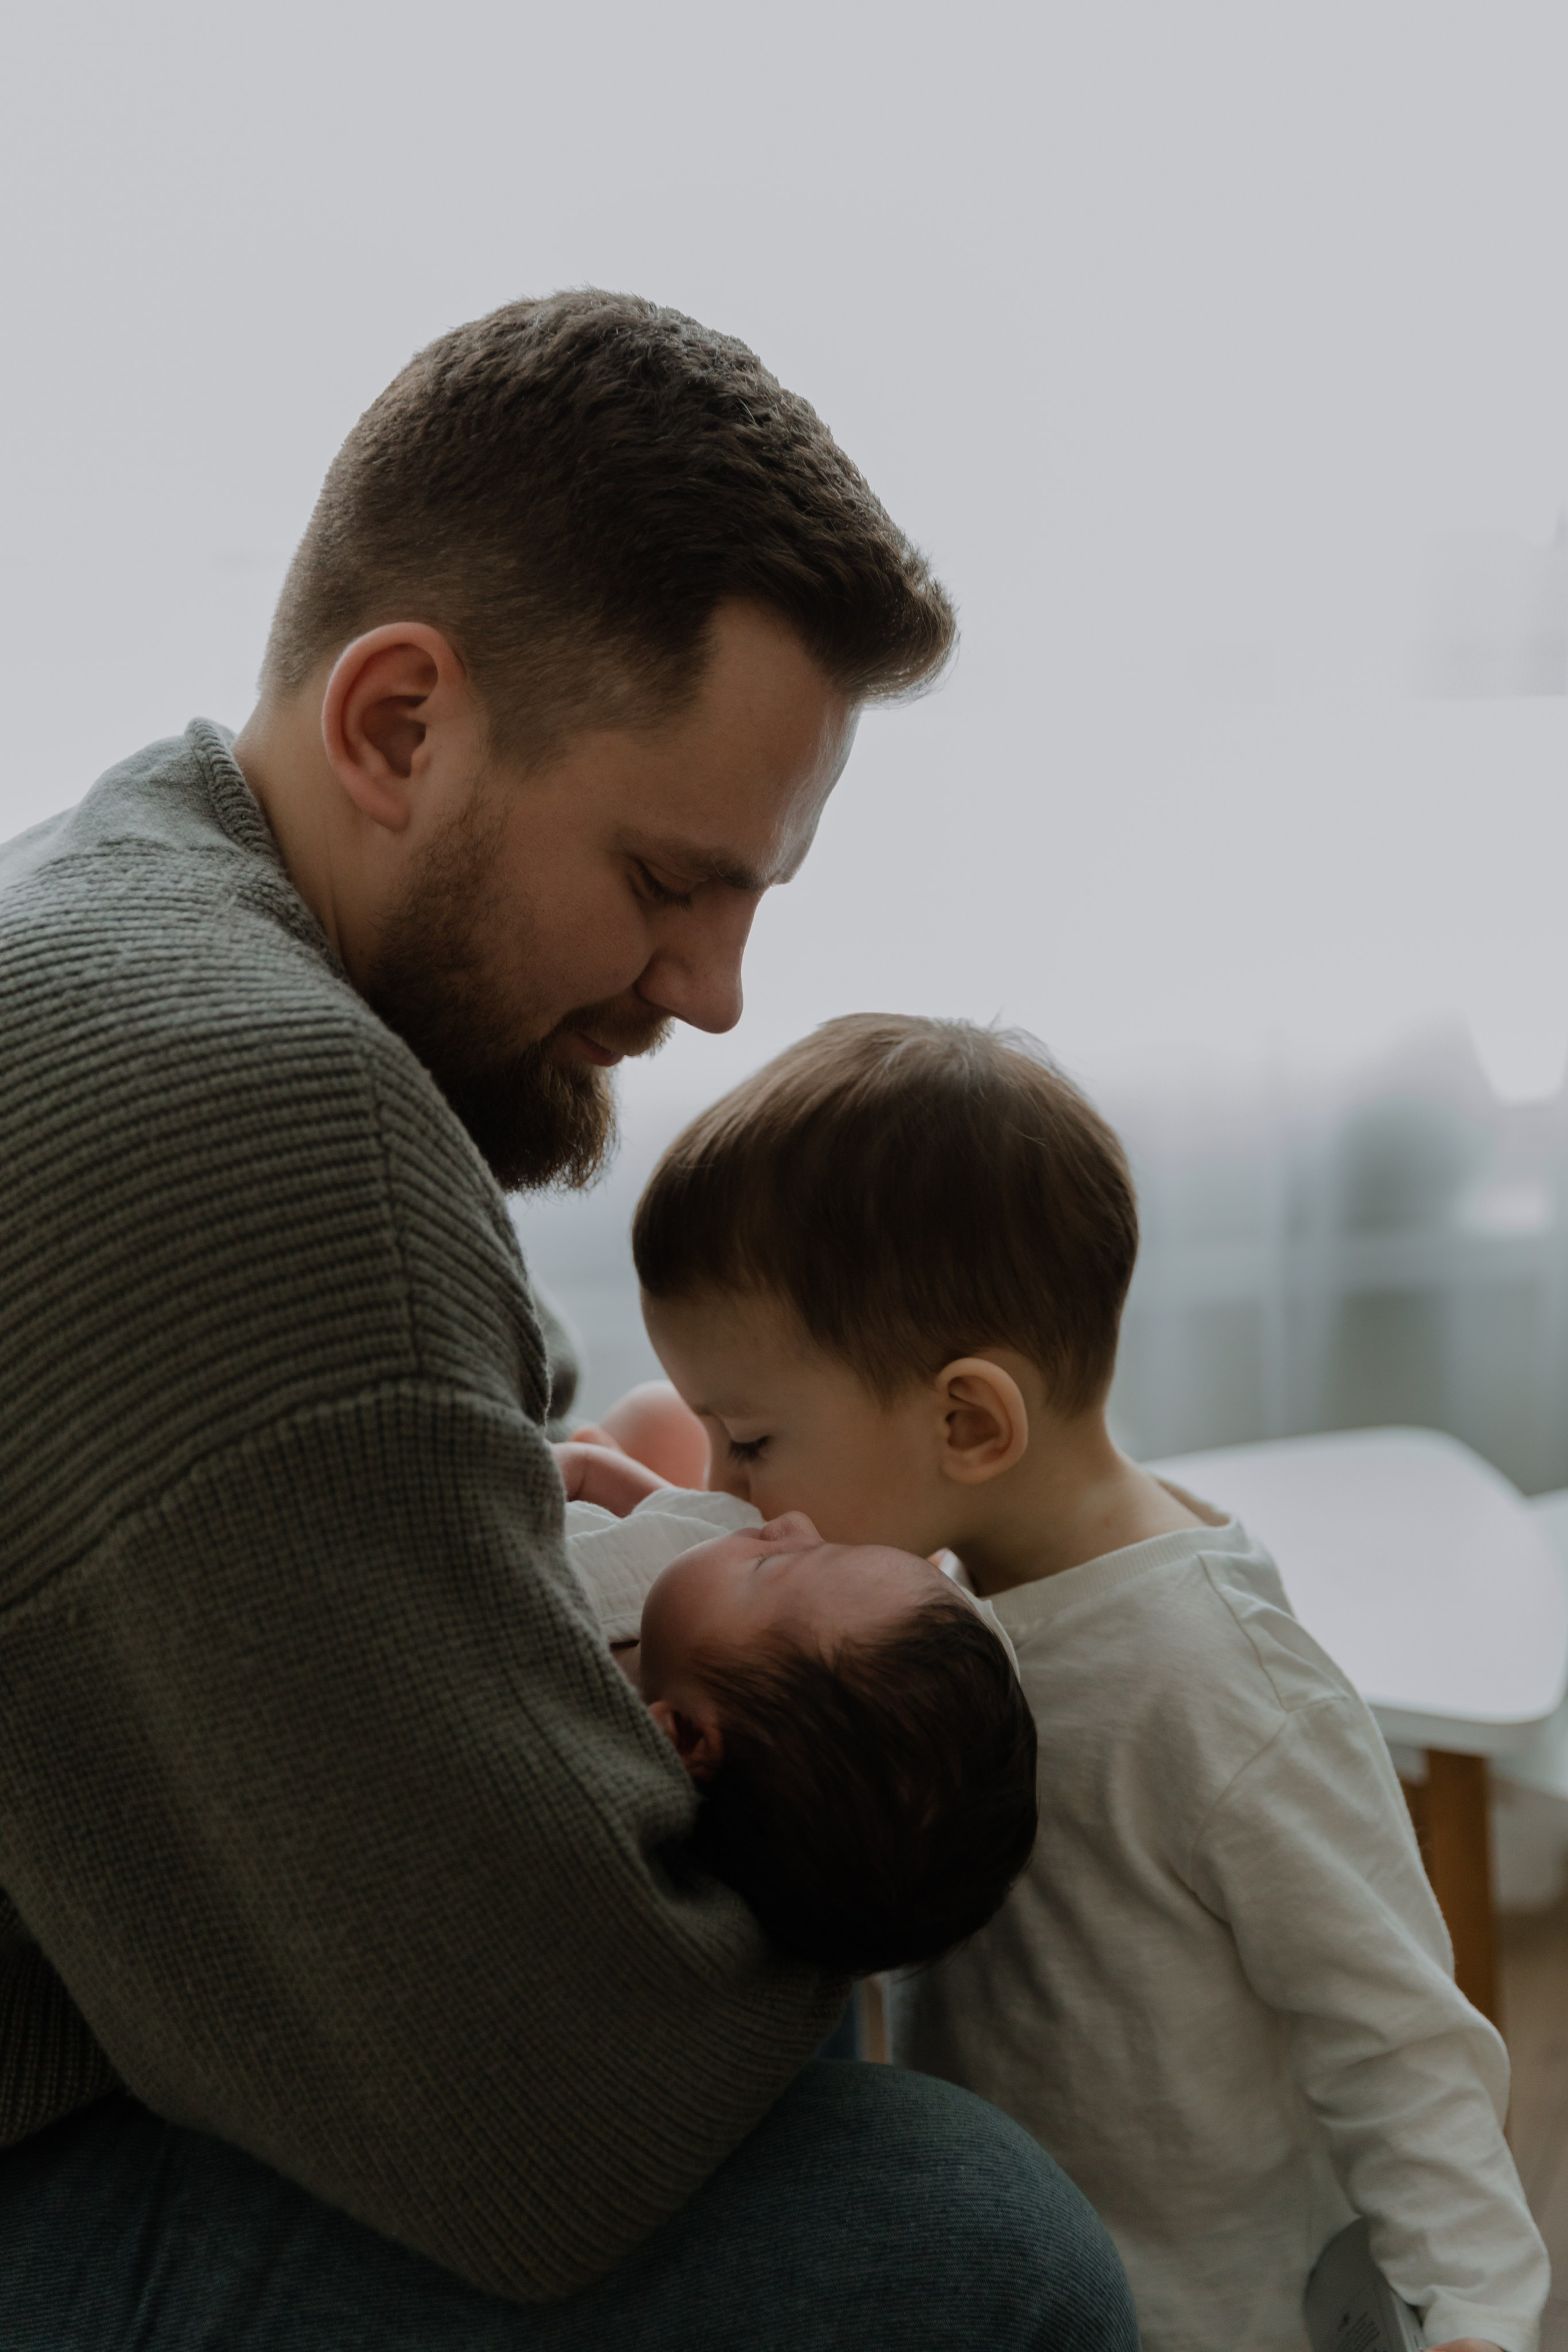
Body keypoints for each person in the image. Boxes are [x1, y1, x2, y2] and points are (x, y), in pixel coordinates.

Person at [0, 294, 1139, 2349]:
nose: (712, 993)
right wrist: (855, 1876)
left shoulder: (119, 900)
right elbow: (545, 2108)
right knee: (974, 2238)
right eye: (666, 877)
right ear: (400, 727)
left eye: (754, 901)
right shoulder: (261, 1109)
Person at [627, 1011, 1550, 2352]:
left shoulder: (1215, 1684)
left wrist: (1474, 2311)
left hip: (1216, 2313)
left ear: (966, 1422)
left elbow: (1395, 2034)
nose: (726, 1496)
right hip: (1036, 2275)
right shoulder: (942, 1604)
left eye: (751, 1440)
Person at [559, 1483, 1037, 1971]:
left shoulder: (555, 1706)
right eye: (832, 1546)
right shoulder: (706, 1602)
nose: (793, 1524)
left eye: (772, 1567)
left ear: (683, 1736)